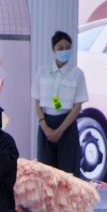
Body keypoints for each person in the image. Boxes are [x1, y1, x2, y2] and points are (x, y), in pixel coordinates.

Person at [32, 30, 88, 178]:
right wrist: (44, 125)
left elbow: (77, 106)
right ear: (53, 49)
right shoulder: (42, 71)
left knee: (68, 172)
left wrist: (61, 130)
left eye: (67, 47)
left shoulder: (77, 74)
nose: (64, 51)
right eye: (60, 48)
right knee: (46, 172)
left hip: (67, 124)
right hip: (46, 124)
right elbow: (36, 102)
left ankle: (67, 202)